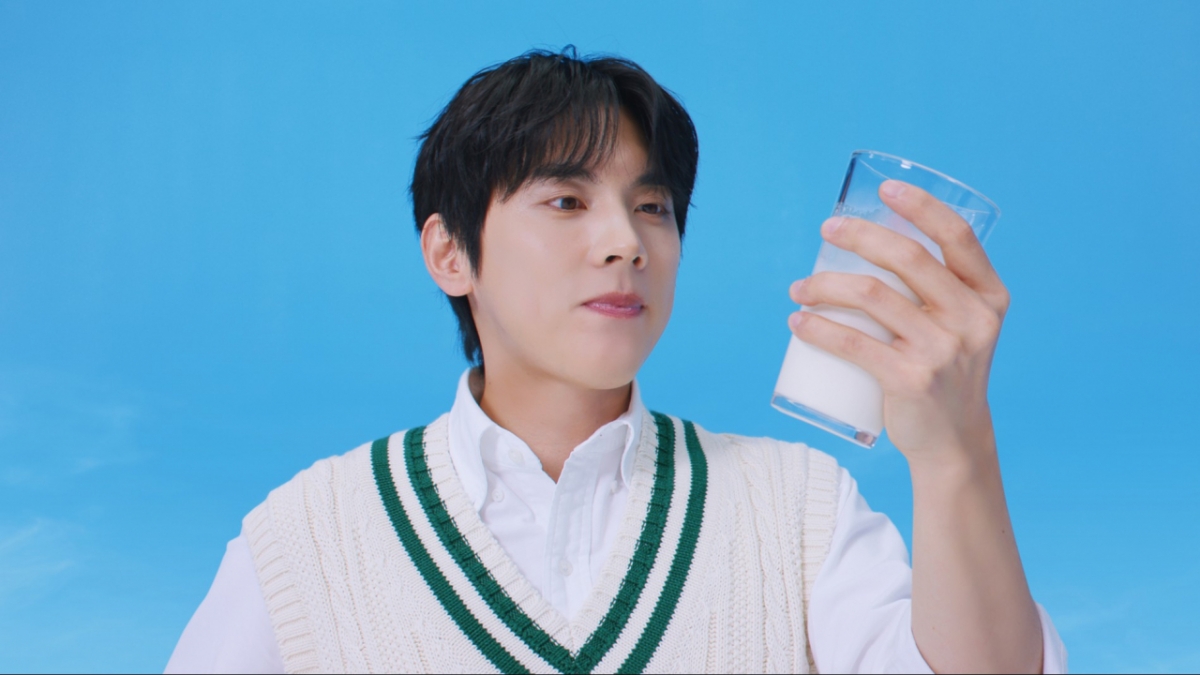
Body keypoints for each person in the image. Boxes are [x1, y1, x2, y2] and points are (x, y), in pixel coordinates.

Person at [166, 48, 1067, 674]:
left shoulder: (796, 509)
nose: (625, 242)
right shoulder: (307, 539)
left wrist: (954, 453)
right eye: (566, 201)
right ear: (449, 253)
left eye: (652, 207)